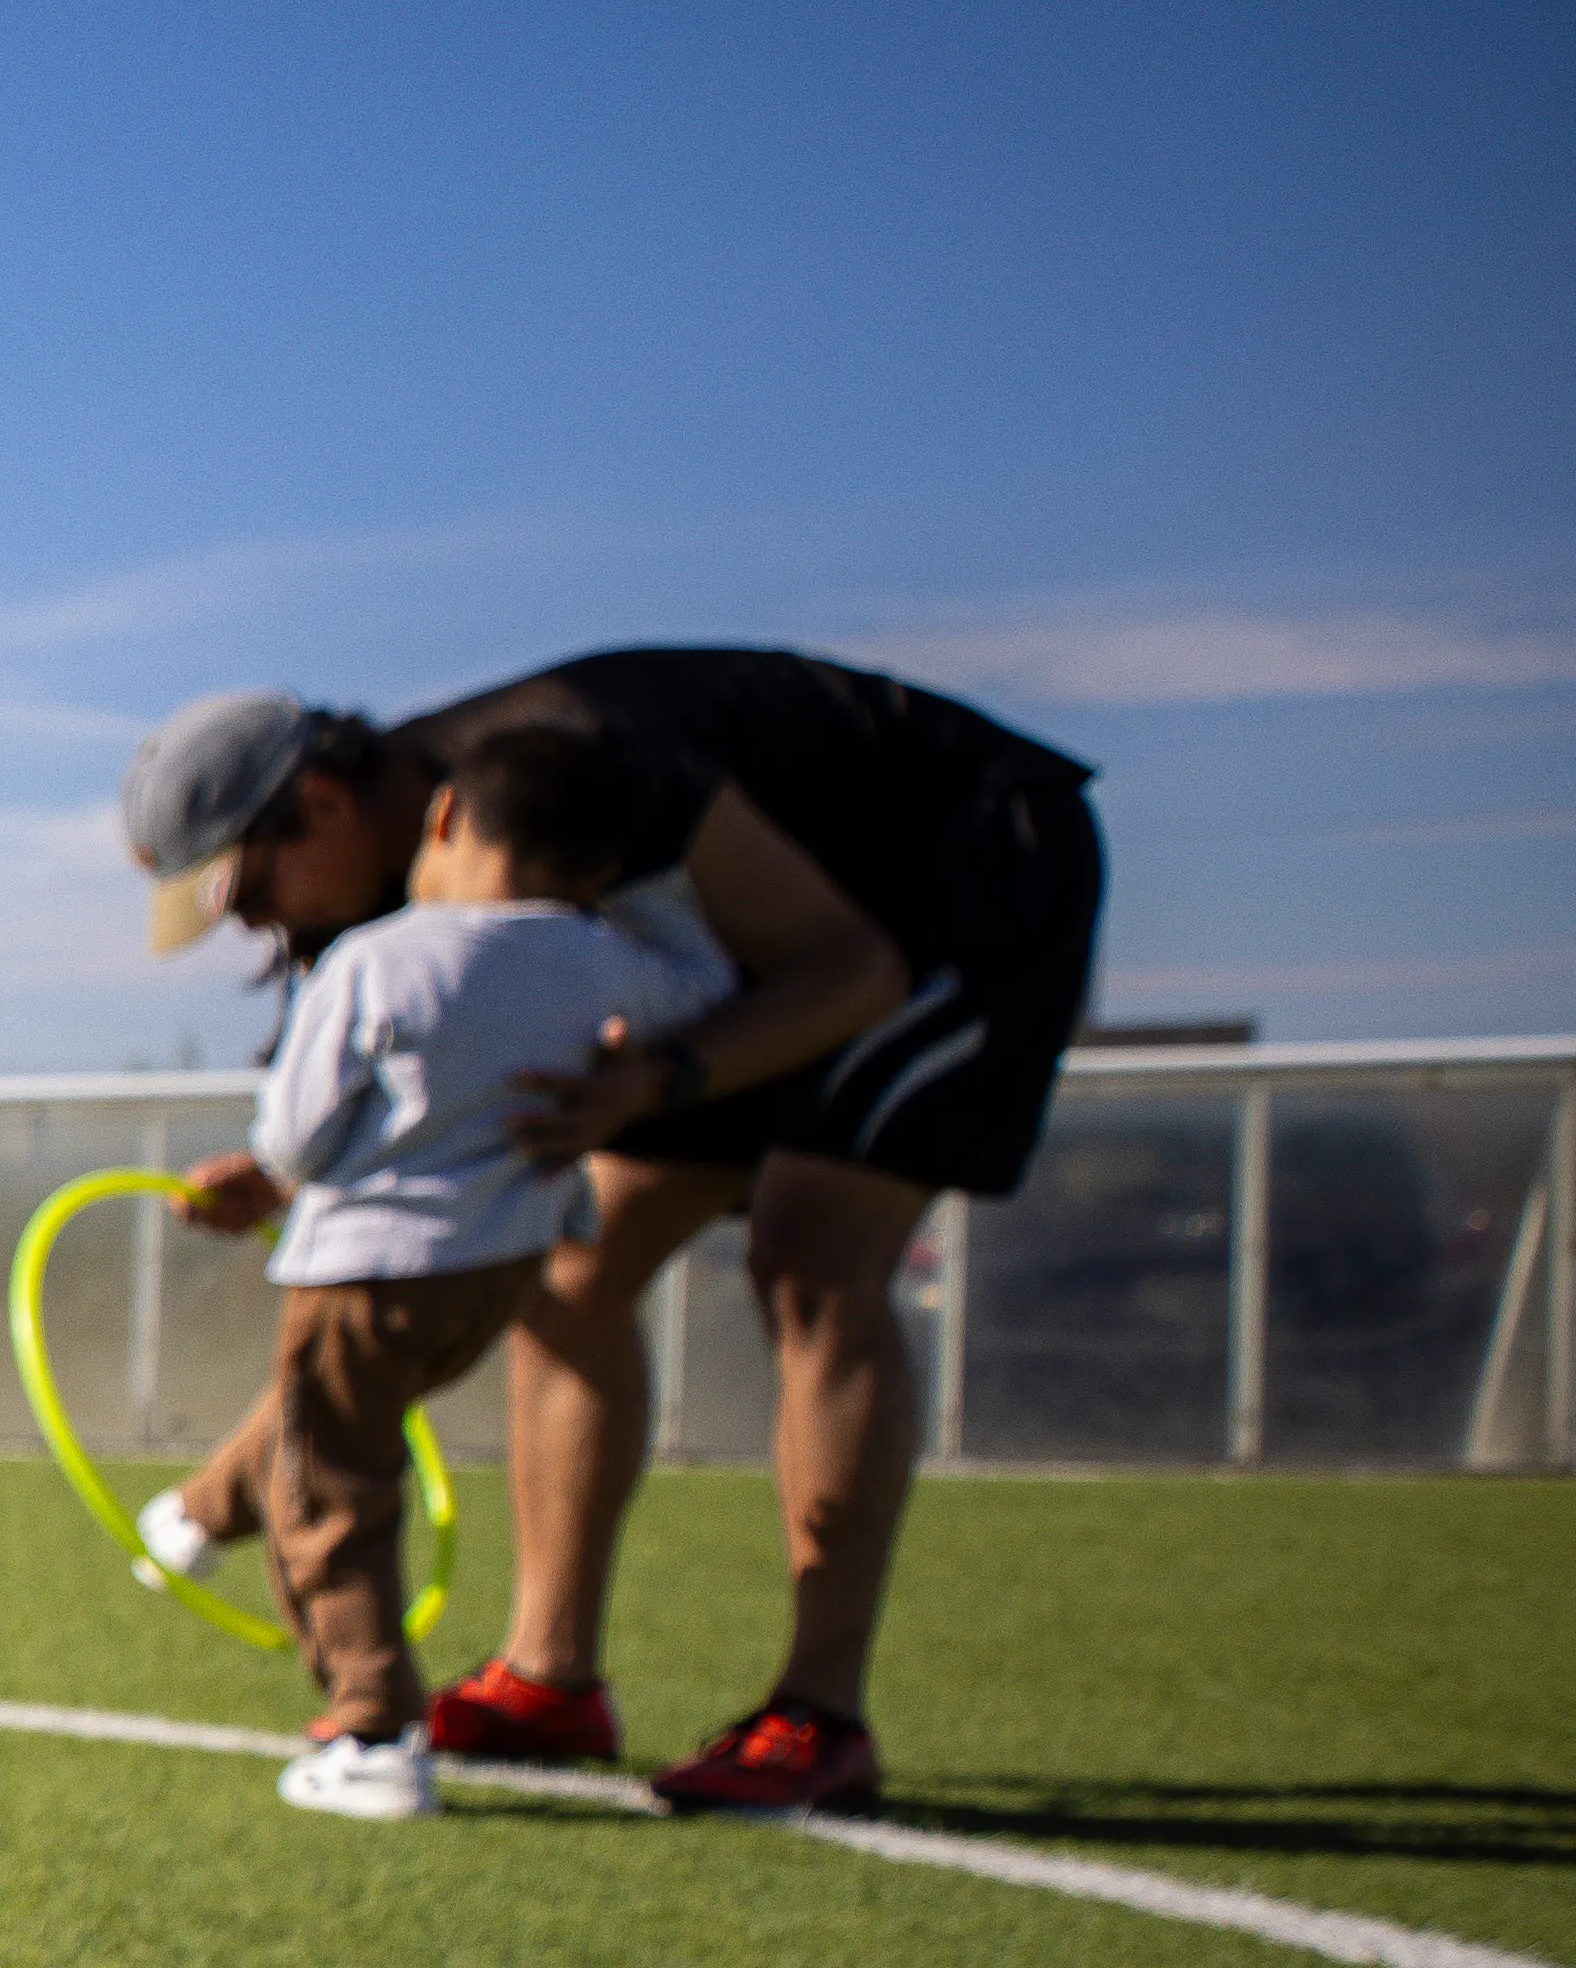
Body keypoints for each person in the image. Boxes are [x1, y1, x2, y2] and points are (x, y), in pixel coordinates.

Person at [115, 649, 1103, 1817]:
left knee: (808, 1249)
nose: (261, 931)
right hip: (719, 971)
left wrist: (668, 1077)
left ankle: (817, 1713)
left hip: (941, 884)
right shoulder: (407, 893)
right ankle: (549, 1677)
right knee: (567, 1272)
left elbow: (850, 968)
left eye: (254, 894)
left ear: (325, 807)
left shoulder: (564, 764)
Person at [142, 729, 718, 1816]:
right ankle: (198, 1512)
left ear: (443, 818)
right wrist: (639, 889)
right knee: (332, 1418)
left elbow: (302, 1137)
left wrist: (263, 1171)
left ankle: (369, 1729)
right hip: (499, 1275)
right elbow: (703, 977)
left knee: (330, 1487)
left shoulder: (376, 959)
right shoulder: (602, 958)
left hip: (362, 1266)